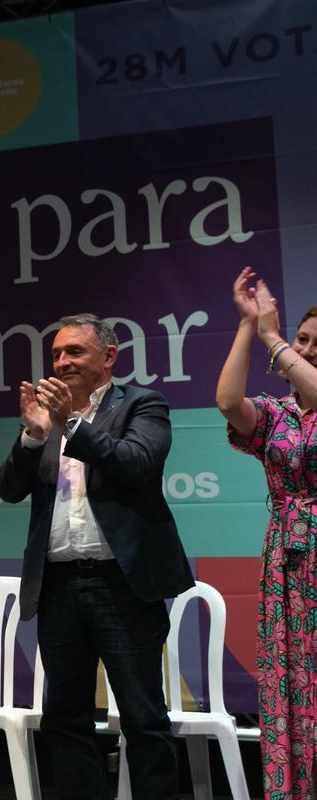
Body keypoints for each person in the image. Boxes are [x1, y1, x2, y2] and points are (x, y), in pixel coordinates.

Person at [0, 313, 194, 800]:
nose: (61, 362)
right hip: (58, 586)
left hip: (122, 586)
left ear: (108, 357)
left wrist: (72, 425)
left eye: (74, 352)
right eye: (57, 354)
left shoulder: (142, 404)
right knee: (66, 720)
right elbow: (8, 488)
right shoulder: (46, 415)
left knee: (143, 717)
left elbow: (137, 463)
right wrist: (34, 436)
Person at [215, 268, 315, 800]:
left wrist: (277, 340)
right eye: (304, 339)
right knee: (292, 682)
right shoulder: (277, 416)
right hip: (288, 561)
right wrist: (249, 328)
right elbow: (230, 403)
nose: (309, 350)